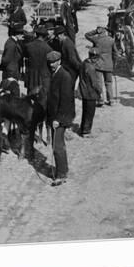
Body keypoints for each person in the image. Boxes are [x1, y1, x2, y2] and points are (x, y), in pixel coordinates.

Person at [46, 51, 75, 186]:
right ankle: (63, 169)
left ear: (59, 61)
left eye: (53, 62)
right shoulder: (56, 73)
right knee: (57, 145)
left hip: (61, 117)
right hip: (55, 116)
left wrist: (58, 119)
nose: (51, 64)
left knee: (57, 146)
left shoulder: (65, 76)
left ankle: (61, 175)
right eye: (50, 62)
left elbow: (66, 100)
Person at [84, 26, 116, 106]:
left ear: (99, 31)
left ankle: (100, 100)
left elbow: (87, 35)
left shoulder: (97, 39)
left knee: (99, 83)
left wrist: (95, 31)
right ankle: (111, 100)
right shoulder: (111, 40)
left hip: (99, 64)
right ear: (105, 31)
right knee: (109, 82)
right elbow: (115, 53)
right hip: (109, 64)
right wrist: (113, 64)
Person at [78, 48, 102, 137]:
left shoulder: (84, 63)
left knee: (85, 111)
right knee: (90, 113)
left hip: (84, 91)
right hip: (91, 93)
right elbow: (94, 83)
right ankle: (86, 131)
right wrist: (100, 91)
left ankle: (82, 128)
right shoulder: (91, 68)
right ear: (95, 58)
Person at [23, 25, 53, 96]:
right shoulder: (48, 49)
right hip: (43, 77)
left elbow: (25, 59)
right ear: (45, 36)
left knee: (30, 97)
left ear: (36, 34)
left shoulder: (28, 46)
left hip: (31, 76)